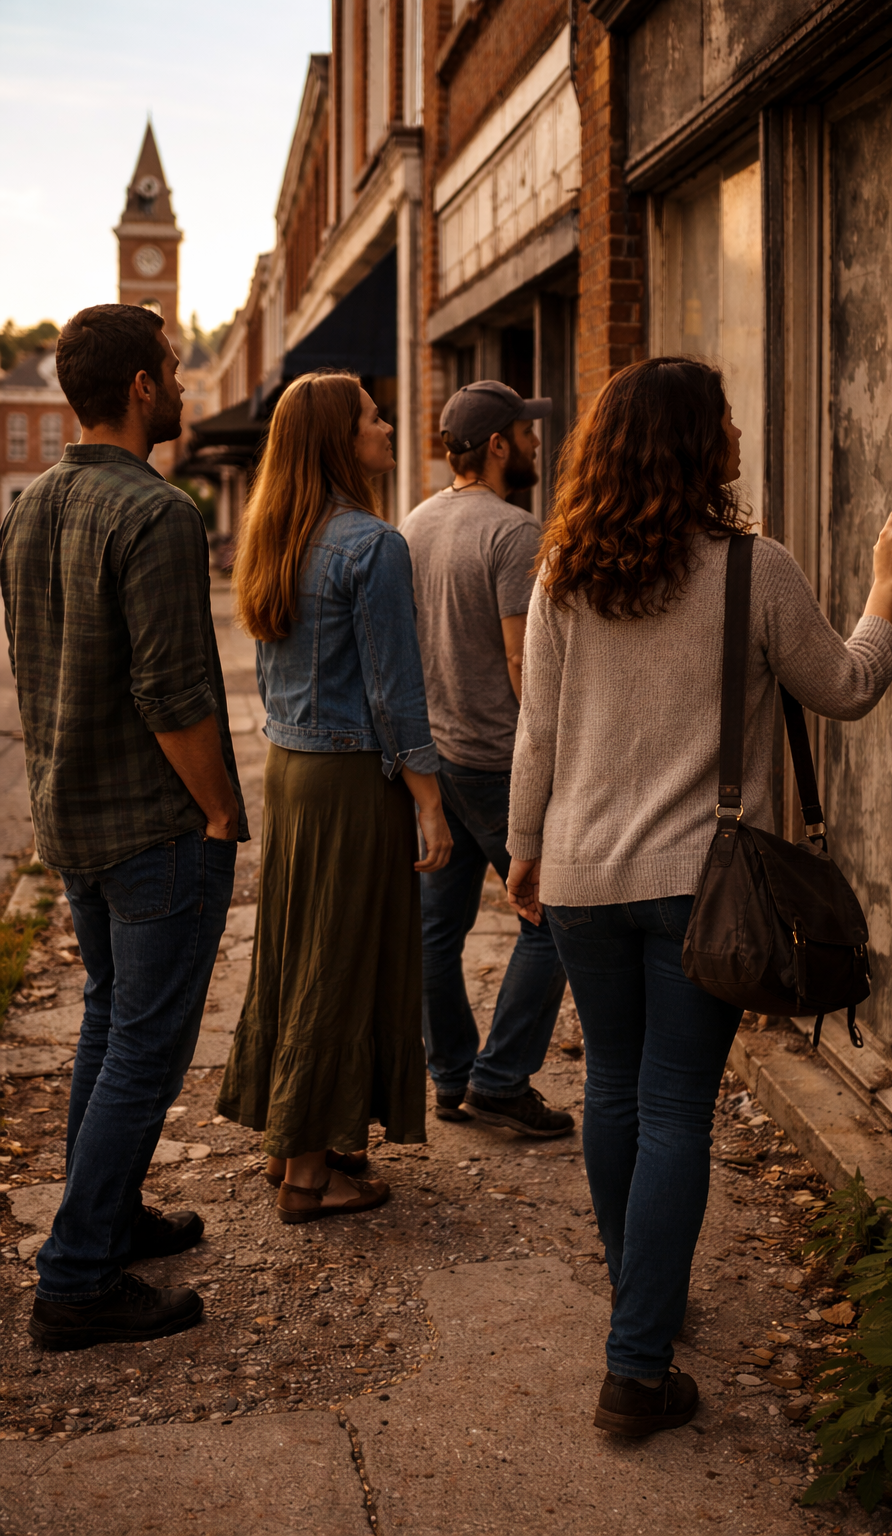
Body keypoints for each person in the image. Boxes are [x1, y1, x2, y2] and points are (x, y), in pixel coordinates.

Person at [505, 357, 892, 1435]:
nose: (739, 434)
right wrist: (884, 589)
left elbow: (537, 737)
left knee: (614, 1091)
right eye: (727, 422)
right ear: (702, 444)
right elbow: (844, 687)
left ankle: (637, 1304)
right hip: (705, 888)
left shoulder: (563, 570)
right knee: (670, 1107)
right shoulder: (754, 568)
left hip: (584, 875)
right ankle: (637, 1368)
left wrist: (521, 852)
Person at [0, 303, 245, 1351]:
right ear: (142, 387)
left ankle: (110, 1218)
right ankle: (78, 1278)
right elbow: (172, 692)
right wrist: (224, 809)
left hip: (73, 815)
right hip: (152, 828)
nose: (186, 386)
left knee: (110, 1026)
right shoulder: (159, 512)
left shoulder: (30, 505)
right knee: (144, 1047)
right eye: (176, 370)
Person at [215, 371, 452, 1222]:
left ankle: (290, 1141)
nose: (388, 427)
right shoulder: (371, 543)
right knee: (338, 961)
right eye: (372, 418)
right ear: (338, 442)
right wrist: (429, 798)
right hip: (351, 778)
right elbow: (396, 692)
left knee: (297, 949)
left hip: (293, 771)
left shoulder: (278, 534)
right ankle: (310, 1178)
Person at [402, 382, 571, 1138]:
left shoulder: (415, 523)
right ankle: (500, 1079)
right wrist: (561, 751)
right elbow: (520, 659)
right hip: (501, 763)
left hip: (438, 759)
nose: (537, 444)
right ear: (498, 445)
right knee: (555, 916)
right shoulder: (512, 531)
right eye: (526, 434)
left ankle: (449, 1075)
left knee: (438, 931)